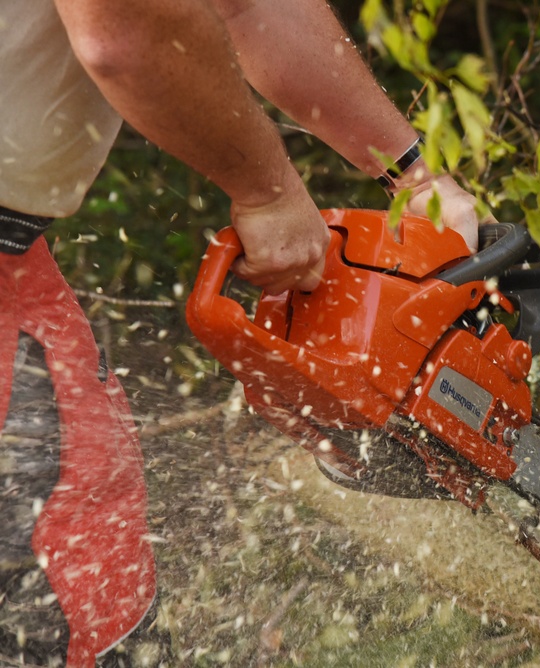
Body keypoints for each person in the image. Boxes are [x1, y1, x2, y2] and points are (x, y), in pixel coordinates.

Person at [0, 0, 493, 665]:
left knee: (87, 518)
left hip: (16, 258)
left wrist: (415, 176)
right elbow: (126, 24)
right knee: (71, 559)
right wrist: (267, 190)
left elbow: (248, 3)